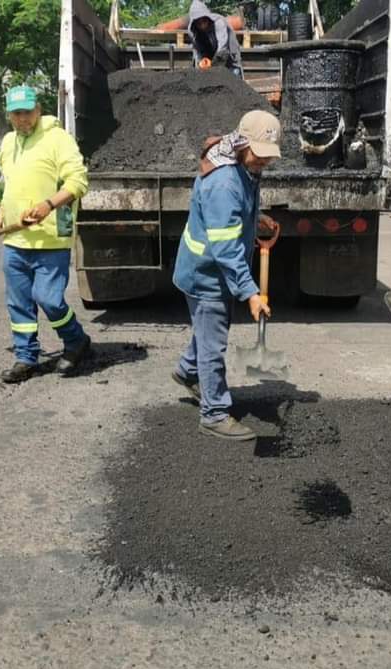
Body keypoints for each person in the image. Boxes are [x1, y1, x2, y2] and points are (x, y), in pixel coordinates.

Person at [171, 110, 281, 441]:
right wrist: (250, 293)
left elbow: (231, 215)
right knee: (214, 342)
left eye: (268, 156)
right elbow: (225, 251)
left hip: (209, 269)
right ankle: (214, 413)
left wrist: (254, 218)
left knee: (208, 331)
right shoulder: (224, 182)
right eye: (259, 154)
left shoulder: (240, 165)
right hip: (206, 274)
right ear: (242, 142)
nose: (263, 161)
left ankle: (187, 371)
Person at [0, 86, 91, 384]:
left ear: (38, 109)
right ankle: (25, 357)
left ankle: (76, 340)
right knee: (19, 303)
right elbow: (10, 193)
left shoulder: (57, 139)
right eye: (16, 113)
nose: (23, 119)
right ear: (9, 115)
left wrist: (48, 205)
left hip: (50, 239)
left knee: (49, 298)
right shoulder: (7, 143)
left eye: (28, 112)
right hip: (15, 242)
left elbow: (78, 181)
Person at [187, 0, 243, 77]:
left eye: (204, 21)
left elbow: (223, 49)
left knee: (234, 78)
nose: (202, 25)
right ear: (194, 23)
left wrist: (214, 65)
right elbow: (197, 50)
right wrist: (201, 61)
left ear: (208, 18)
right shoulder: (192, 31)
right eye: (199, 23)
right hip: (209, 54)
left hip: (229, 54)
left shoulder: (219, 23)